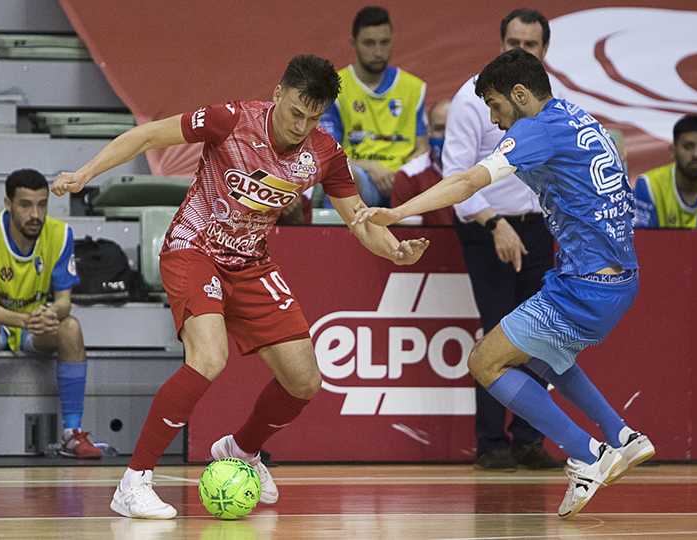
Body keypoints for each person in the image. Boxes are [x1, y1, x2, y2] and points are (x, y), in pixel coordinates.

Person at [52, 54, 429, 520]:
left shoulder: (325, 152)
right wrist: (85, 173)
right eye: (296, 112)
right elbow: (148, 135)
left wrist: (393, 249)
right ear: (278, 93)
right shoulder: (230, 119)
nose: (301, 125)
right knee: (209, 358)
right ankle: (135, 481)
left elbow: (359, 220)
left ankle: (241, 448)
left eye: (313, 117)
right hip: (195, 249)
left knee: (305, 380)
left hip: (250, 262)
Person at [354, 48, 655, 519]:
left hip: (585, 286)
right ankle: (623, 436)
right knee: (542, 355)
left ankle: (588, 454)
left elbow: (467, 182)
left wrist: (397, 212)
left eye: (495, 106)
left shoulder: (535, 129)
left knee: (484, 361)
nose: (493, 120)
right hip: (617, 279)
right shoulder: (579, 118)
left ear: (520, 94)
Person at [443, 8, 561, 471]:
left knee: (541, 335)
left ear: (544, 51)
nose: (520, 52)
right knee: (497, 332)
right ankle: (491, 444)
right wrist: (494, 223)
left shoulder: (554, 101)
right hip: (483, 223)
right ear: (500, 44)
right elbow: (455, 178)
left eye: (529, 46)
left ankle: (530, 441)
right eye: (513, 43)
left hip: (537, 225)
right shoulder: (472, 100)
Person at [0, 169, 101, 460]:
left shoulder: (60, 234)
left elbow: (64, 302)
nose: (36, 214)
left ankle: (72, 434)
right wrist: (25, 320)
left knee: (71, 327)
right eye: (25, 205)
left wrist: (50, 313)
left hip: (31, 321)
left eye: (42, 204)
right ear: (8, 203)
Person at [319, 5, 428, 208]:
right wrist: (373, 168)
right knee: (341, 178)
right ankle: (333, 238)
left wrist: (401, 175)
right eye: (369, 43)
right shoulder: (334, 87)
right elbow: (328, 155)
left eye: (384, 42)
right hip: (362, 177)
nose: (378, 51)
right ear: (354, 43)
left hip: (403, 181)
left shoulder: (413, 88)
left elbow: (422, 148)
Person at [390, 99, 454, 226]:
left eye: (453, 128)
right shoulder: (408, 176)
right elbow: (408, 237)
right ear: (428, 131)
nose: (447, 136)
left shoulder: (483, 170)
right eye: (439, 129)